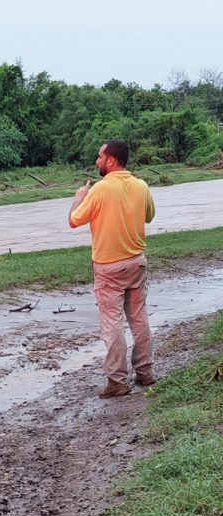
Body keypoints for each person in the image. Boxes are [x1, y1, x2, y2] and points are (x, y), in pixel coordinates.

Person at [68, 140, 156, 398]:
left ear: (110, 160)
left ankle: (118, 381)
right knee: (139, 319)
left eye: (99, 156)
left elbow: (74, 220)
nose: (97, 161)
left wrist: (78, 199)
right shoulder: (141, 185)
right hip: (137, 262)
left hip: (109, 267)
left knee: (112, 323)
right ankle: (145, 373)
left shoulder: (100, 189)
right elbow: (149, 216)